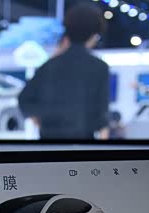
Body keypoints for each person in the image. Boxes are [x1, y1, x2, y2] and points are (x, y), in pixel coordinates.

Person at [18, 2, 110, 140]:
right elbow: (102, 115)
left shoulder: (49, 66)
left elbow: (24, 99)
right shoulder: (99, 67)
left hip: (49, 142)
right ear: (94, 34)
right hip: (82, 144)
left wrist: (40, 120)